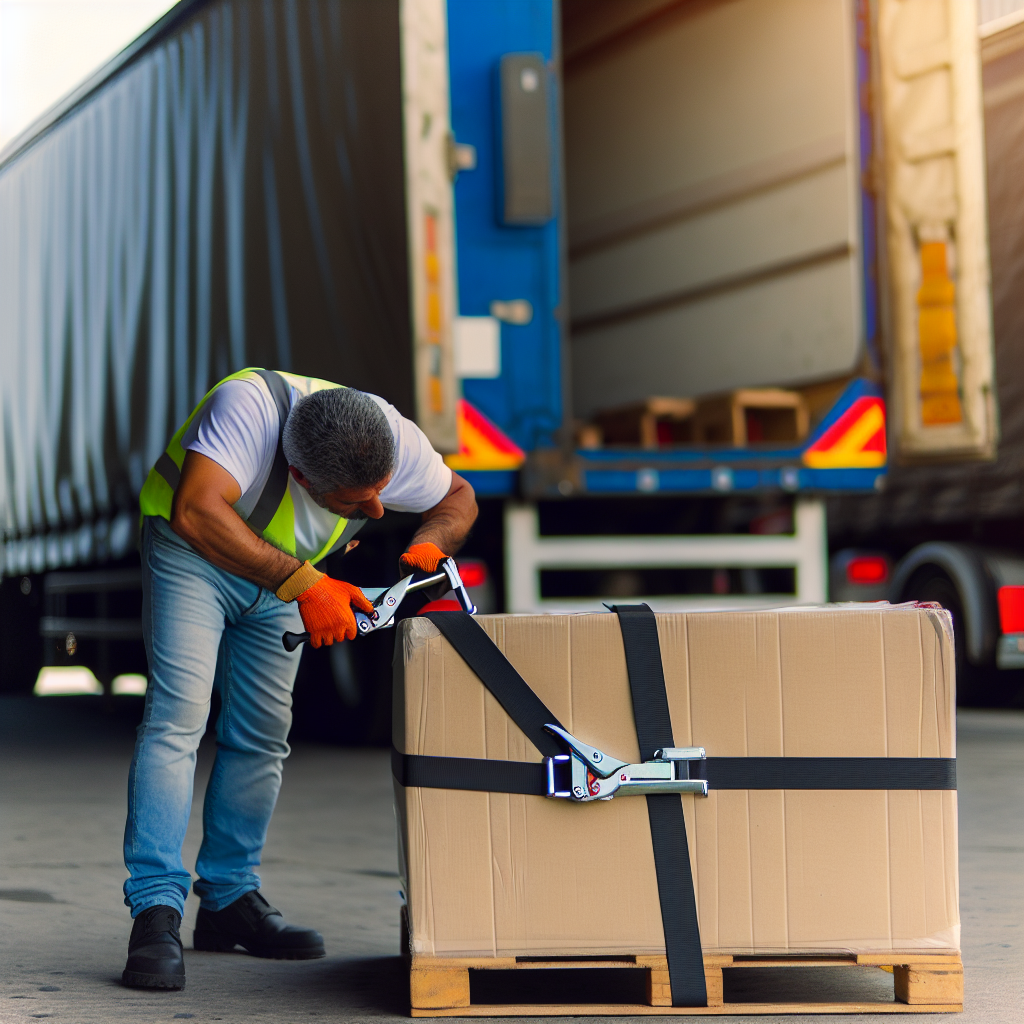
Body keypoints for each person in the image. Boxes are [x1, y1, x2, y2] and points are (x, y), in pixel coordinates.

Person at [120, 368, 477, 990]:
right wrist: (307, 585)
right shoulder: (246, 411)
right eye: (353, 500)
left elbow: (458, 498)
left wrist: (430, 541)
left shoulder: (387, 434)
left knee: (261, 735)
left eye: (381, 491)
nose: (376, 509)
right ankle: (155, 910)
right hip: (196, 558)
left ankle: (229, 899)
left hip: (287, 576)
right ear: (303, 475)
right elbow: (195, 510)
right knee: (179, 719)